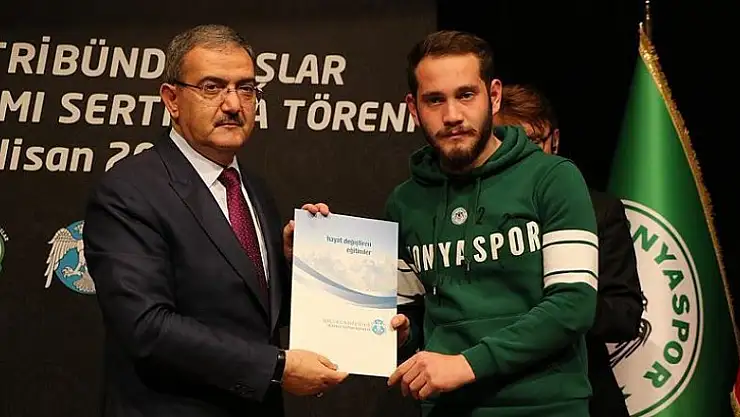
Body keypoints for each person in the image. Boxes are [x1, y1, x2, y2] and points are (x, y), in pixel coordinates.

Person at [82, 24, 347, 417]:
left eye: (246, 88)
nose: (233, 104)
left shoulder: (252, 188)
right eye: (212, 87)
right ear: (172, 99)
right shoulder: (129, 191)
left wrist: (296, 268)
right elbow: (146, 327)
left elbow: (247, 308)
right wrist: (276, 367)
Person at [385, 30, 599, 417]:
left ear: (494, 96)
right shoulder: (405, 202)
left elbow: (573, 305)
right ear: (413, 108)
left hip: (546, 408)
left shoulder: (554, 178)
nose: (452, 115)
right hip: (447, 410)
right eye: (435, 100)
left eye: (466, 95)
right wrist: (401, 334)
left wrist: (466, 365)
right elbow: (413, 317)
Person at [494, 83, 644, 417]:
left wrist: (563, 305)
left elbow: (625, 314)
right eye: (509, 140)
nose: (523, 155)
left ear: (555, 141)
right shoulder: (473, 212)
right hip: (495, 394)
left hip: (582, 392)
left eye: (533, 141)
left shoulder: (597, 210)